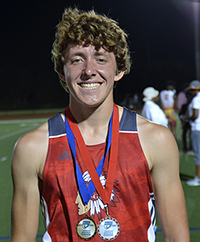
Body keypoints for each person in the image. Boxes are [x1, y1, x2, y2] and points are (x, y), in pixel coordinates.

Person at [10, 7, 189, 242]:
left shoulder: (155, 139)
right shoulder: (32, 147)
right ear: (62, 72)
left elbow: (177, 237)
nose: (89, 71)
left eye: (101, 59)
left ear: (119, 70)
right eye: (76, 60)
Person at [185, 80, 200, 186]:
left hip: (197, 128)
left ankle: (198, 178)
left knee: (198, 154)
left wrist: (187, 118)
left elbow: (195, 115)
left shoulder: (196, 99)